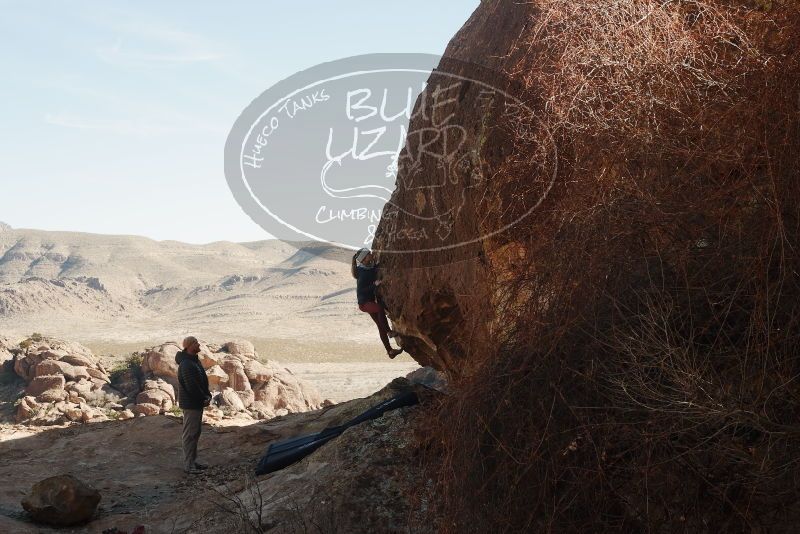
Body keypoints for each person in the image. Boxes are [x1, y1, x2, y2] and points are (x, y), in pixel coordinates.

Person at [352, 248, 403, 358]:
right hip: (364, 304)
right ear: (365, 259)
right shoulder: (362, 272)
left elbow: (374, 269)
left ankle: (390, 351)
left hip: (369, 302)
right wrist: (374, 285)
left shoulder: (368, 267)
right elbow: (361, 290)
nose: (371, 254)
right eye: (369, 254)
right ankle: (389, 332)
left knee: (380, 326)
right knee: (380, 308)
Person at [175, 336, 212, 475]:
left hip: (195, 403)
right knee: (190, 434)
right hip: (191, 403)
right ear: (189, 346)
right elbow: (192, 387)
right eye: (196, 342)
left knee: (195, 433)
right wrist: (203, 398)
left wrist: (207, 395)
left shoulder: (193, 361)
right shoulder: (186, 364)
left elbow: (201, 381)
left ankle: (192, 462)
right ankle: (188, 466)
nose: (199, 343)